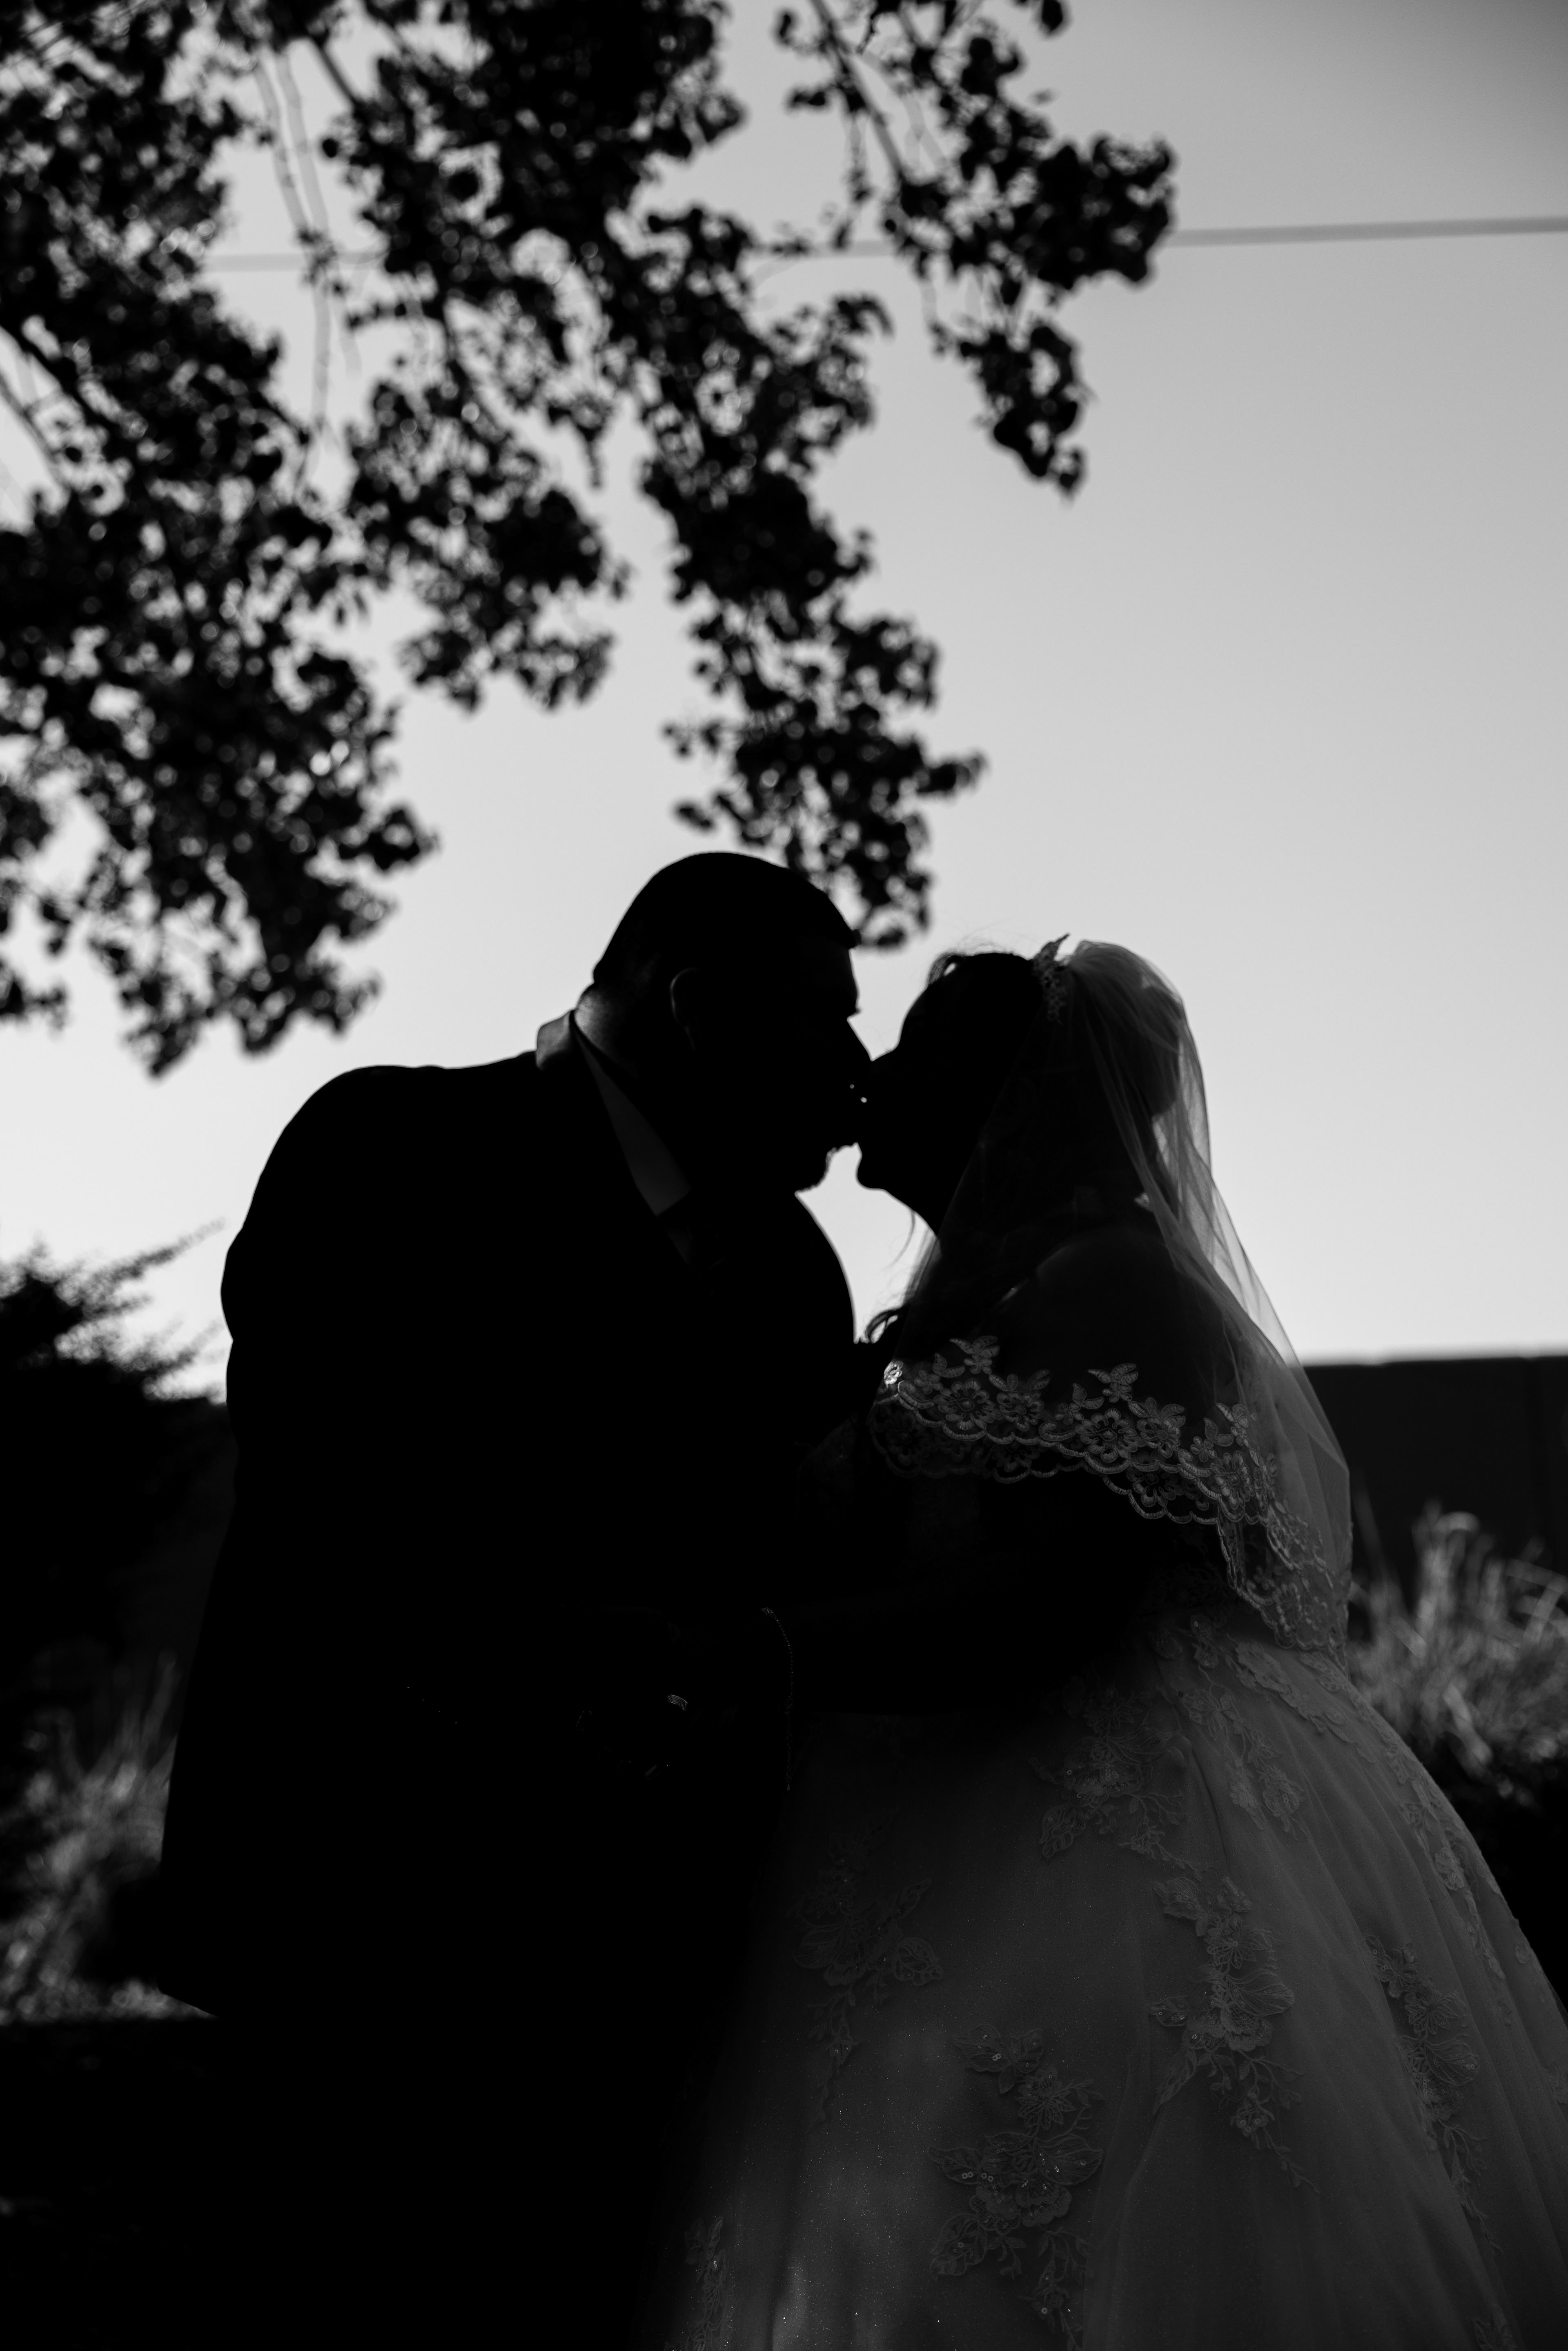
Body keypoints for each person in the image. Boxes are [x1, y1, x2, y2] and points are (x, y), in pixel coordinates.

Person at [638, 939, 1568, 2350]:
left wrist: (762, 1650)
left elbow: (1068, 1597)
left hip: (1116, 1814)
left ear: (1010, 1096)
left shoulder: (1112, 1286)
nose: (874, 1076)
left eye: (918, 1053)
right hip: (937, 1798)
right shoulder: (1006, 1297)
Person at [155, 852, 868, 2338]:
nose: (854, 1067)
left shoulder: (796, 1272)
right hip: (365, 1911)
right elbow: (323, 1480)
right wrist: (556, 1667)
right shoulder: (393, 1146)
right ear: (695, 1005)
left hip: (634, 1956)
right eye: (825, 1017)